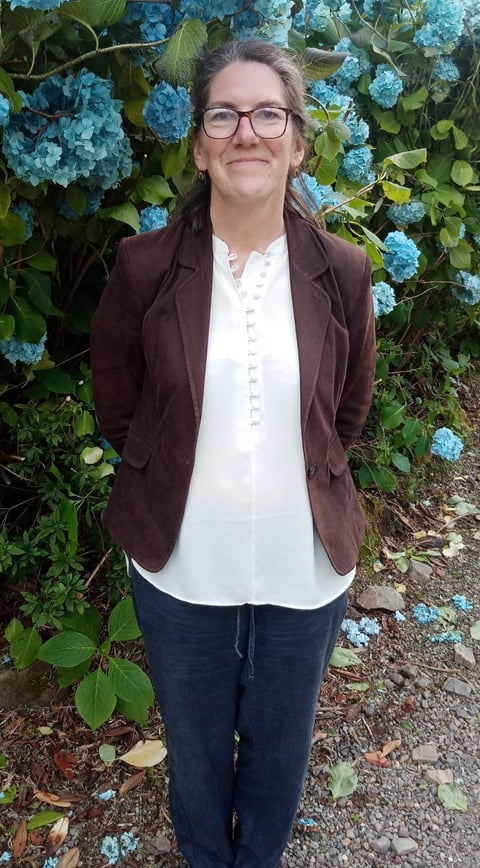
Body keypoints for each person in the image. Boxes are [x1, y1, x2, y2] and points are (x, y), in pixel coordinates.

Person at [90, 38, 376, 868]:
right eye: (224, 113)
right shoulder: (143, 267)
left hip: (303, 566)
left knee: (281, 759)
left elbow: (345, 414)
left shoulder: (344, 271)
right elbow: (120, 408)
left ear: (296, 142)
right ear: (198, 144)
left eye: (267, 114)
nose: (245, 131)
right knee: (199, 755)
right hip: (184, 567)